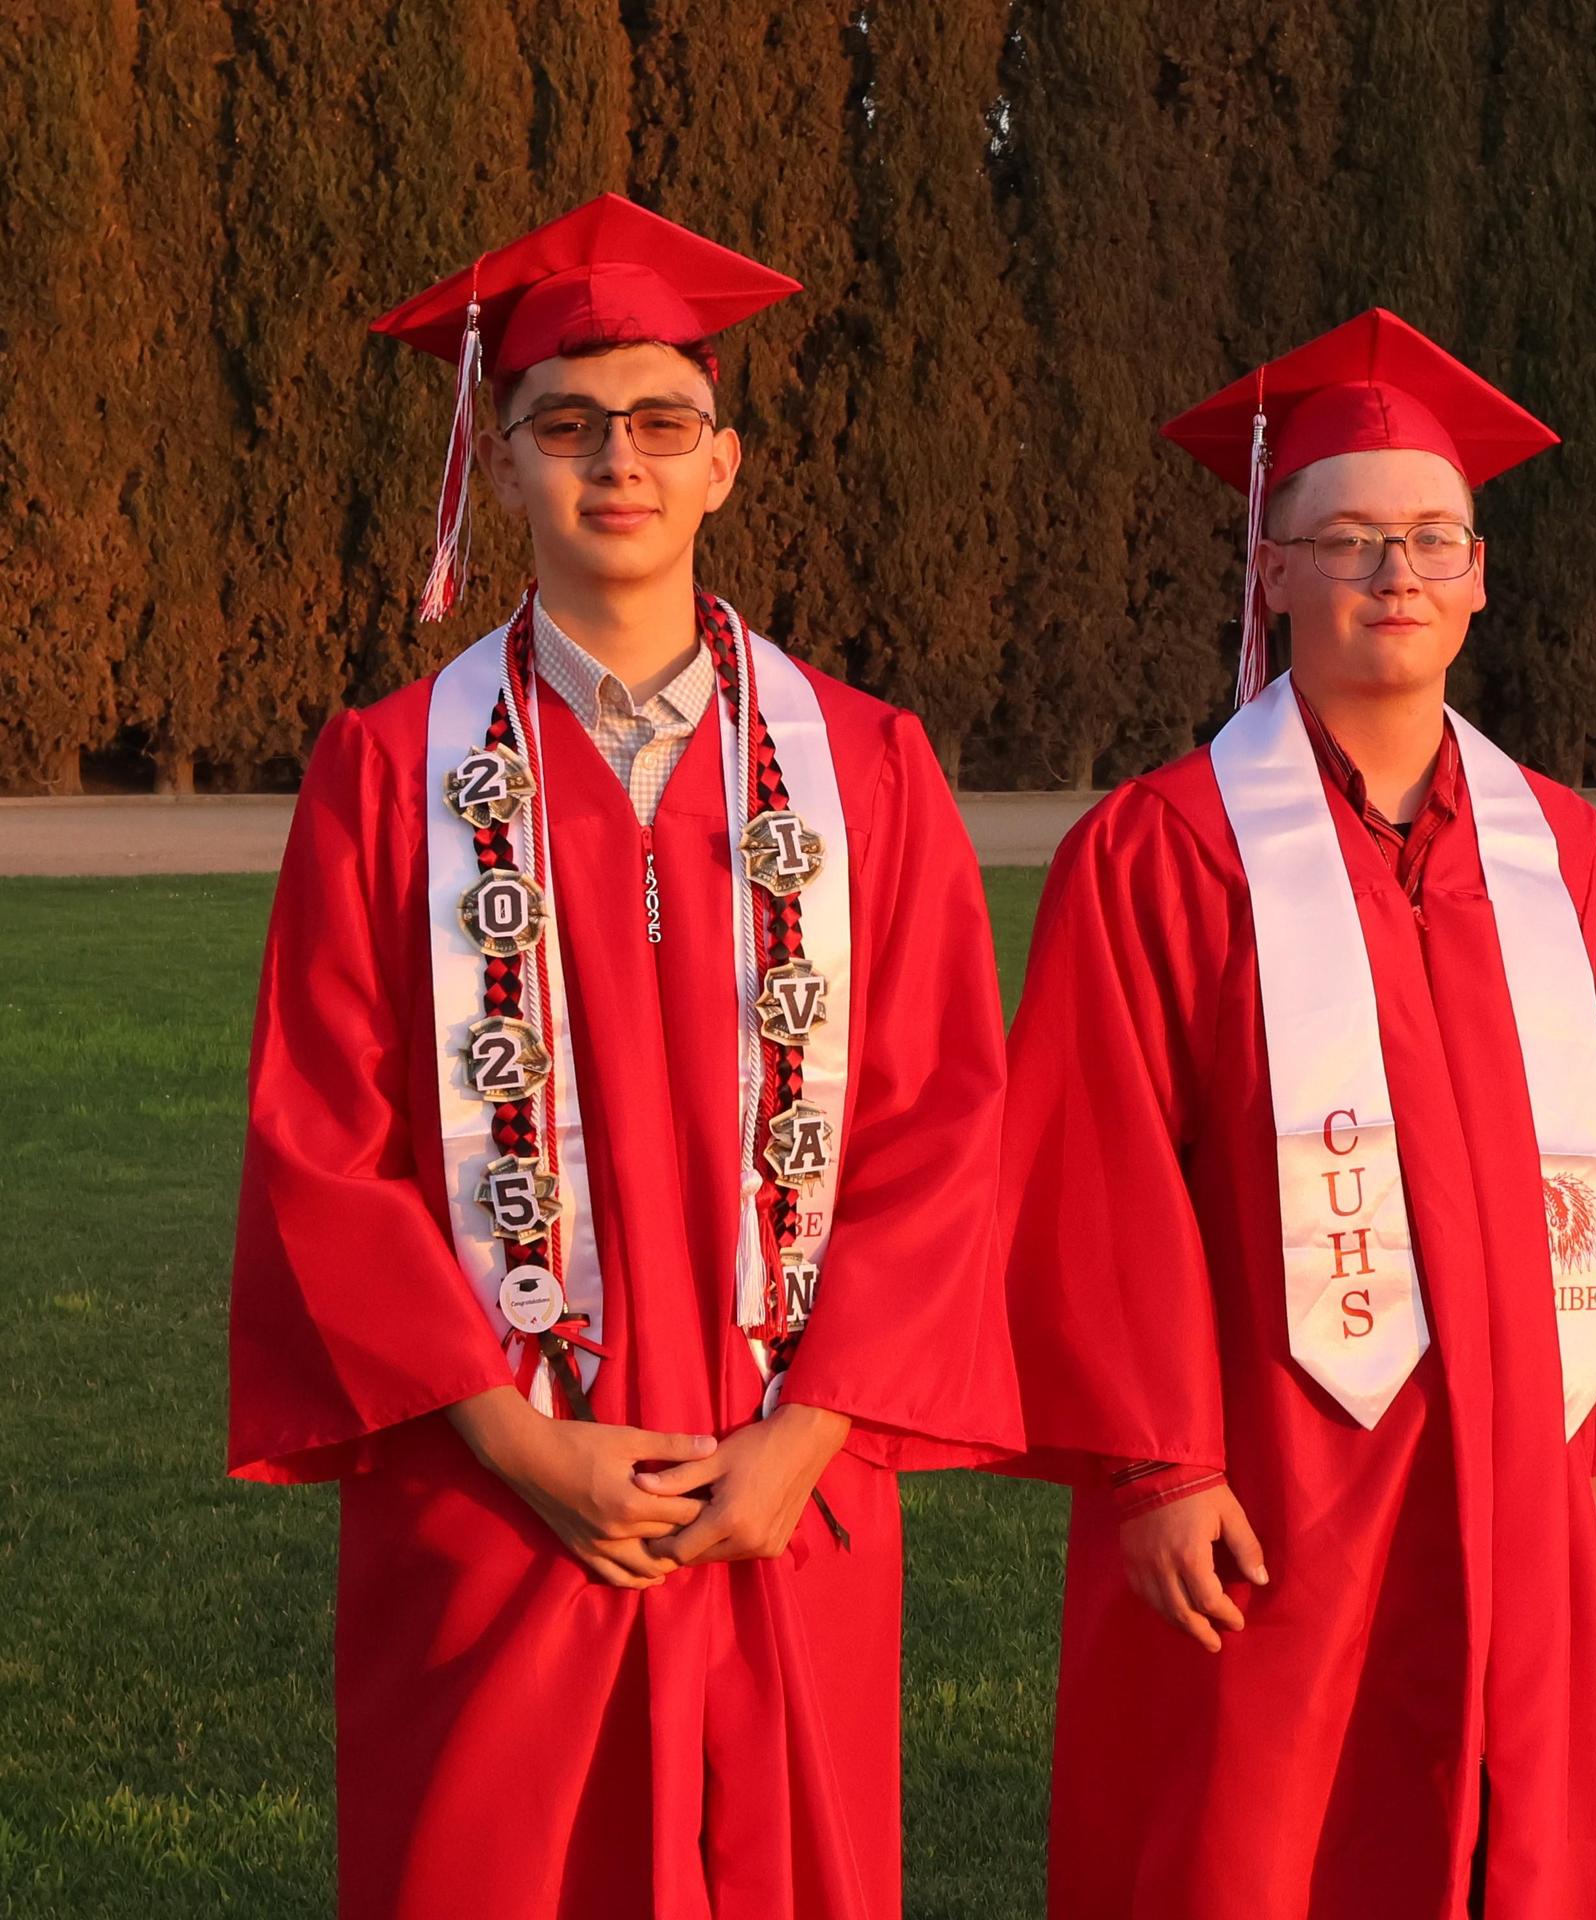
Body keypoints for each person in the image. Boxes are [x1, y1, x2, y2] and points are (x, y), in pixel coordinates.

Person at [228, 191, 1021, 1920]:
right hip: (499, 1491)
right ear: (498, 466)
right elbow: (320, 1142)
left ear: (725, 465)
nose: (618, 463)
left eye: (663, 424)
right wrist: (519, 1443)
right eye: (566, 427)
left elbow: (949, 1123)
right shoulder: (390, 773)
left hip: (778, 1484)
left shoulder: (864, 767)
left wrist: (809, 1436)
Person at [998, 308, 1596, 1919]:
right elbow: (1094, 1173)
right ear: (1271, 575)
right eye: (1347, 538)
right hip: (1273, 1474)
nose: (1395, 570)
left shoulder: (1571, 862)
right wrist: (1158, 1468)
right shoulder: (1161, 853)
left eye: (1431, 538)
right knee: (1251, 1835)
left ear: (1476, 578)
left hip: (1521, 1451)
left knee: (1503, 1827)